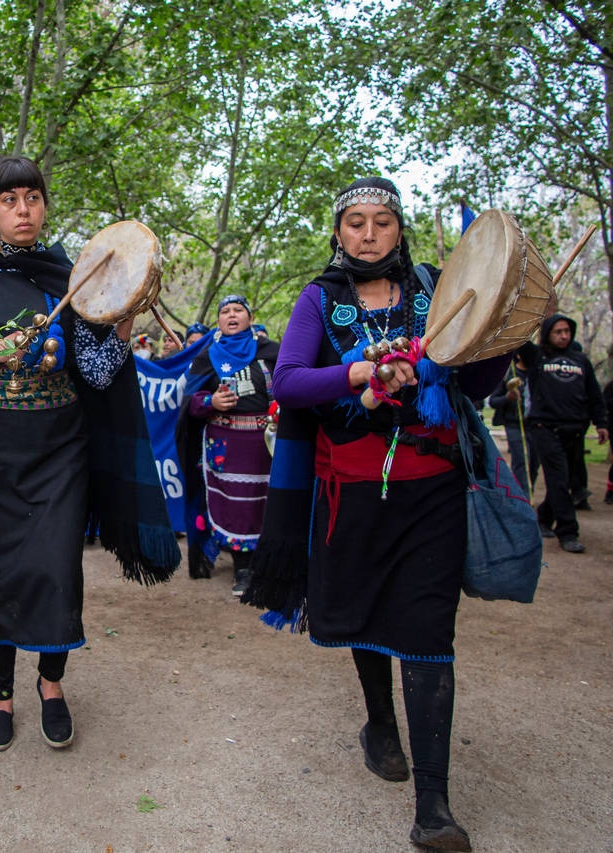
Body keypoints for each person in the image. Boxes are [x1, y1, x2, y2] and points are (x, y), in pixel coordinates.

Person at [245, 178, 510, 852]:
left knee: (428, 630)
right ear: (338, 233)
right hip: (351, 494)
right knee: (364, 612)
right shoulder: (320, 299)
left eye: (382, 221)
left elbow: (475, 381)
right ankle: (379, 723)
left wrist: (503, 330)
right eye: (356, 222)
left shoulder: (432, 290)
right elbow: (289, 381)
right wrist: (361, 373)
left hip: (433, 495)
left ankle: (434, 805)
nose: (368, 234)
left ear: (399, 229)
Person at [0, 156, 179, 752]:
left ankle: (51, 685)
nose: (23, 210)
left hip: (58, 452)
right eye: (10, 199)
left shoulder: (72, 280)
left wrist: (123, 315)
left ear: (46, 206)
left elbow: (97, 373)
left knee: (53, 571)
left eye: (33, 198)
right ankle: (1, 696)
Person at [183, 295, 280, 596]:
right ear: (219, 322)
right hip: (226, 447)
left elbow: (293, 384)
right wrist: (211, 401)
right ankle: (244, 569)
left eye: (239, 310)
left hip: (268, 445)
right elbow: (190, 402)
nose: (232, 315)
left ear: (251, 318)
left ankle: (270, 565)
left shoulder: (273, 351)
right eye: (225, 311)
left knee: (267, 504)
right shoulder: (207, 356)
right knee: (237, 508)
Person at [519, 314, 609, 552]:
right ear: (548, 333)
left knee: (567, 480)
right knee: (559, 479)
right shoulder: (537, 356)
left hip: (575, 430)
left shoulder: (581, 360)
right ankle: (568, 531)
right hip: (545, 429)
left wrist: (602, 424)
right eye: (558, 331)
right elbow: (516, 339)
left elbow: (595, 396)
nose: (563, 336)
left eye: (567, 331)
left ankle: (544, 517)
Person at [487, 355, 536, 498]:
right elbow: (493, 401)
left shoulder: (537, 373)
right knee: (521, 460)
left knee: (534, 463)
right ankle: (522, 497)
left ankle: (528, 492)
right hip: (514, 423)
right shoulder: (509, 373)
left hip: (536, 425)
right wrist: (507, 398)